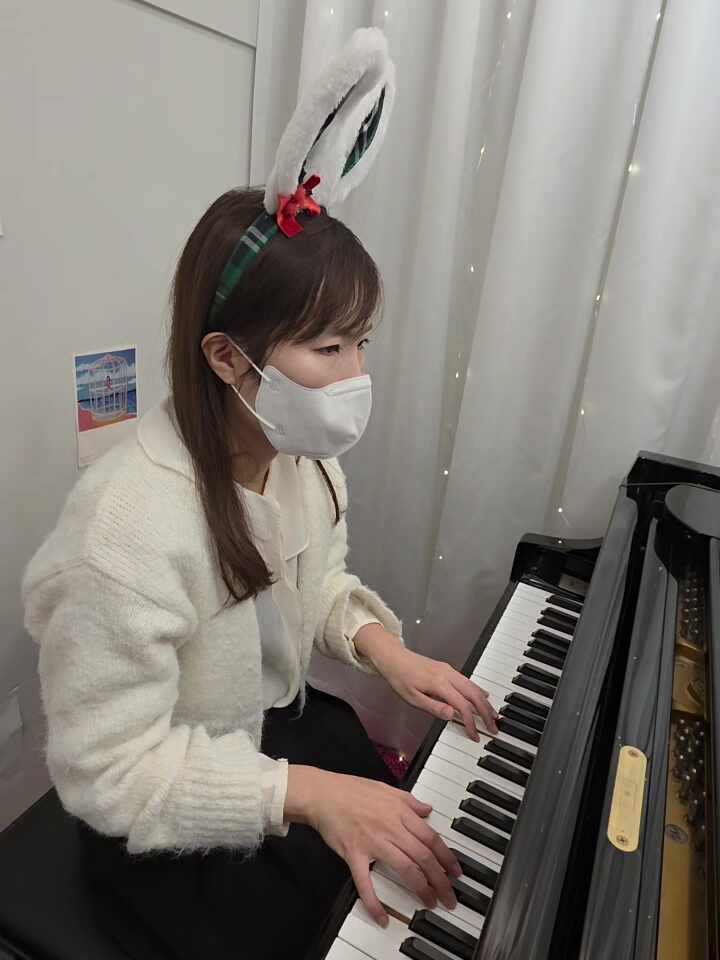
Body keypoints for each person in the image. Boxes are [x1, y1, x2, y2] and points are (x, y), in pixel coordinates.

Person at [21, 29, 498, 960]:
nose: (356, 377)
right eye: (328, 348)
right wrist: (306, 795)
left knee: (405, 839)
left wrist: (384, 650)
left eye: (363, 343)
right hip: (166, 820)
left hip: (268, 736)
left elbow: (315, 587)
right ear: (227, 357)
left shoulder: (300, 461)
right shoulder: (126, 530)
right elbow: (106, 770)